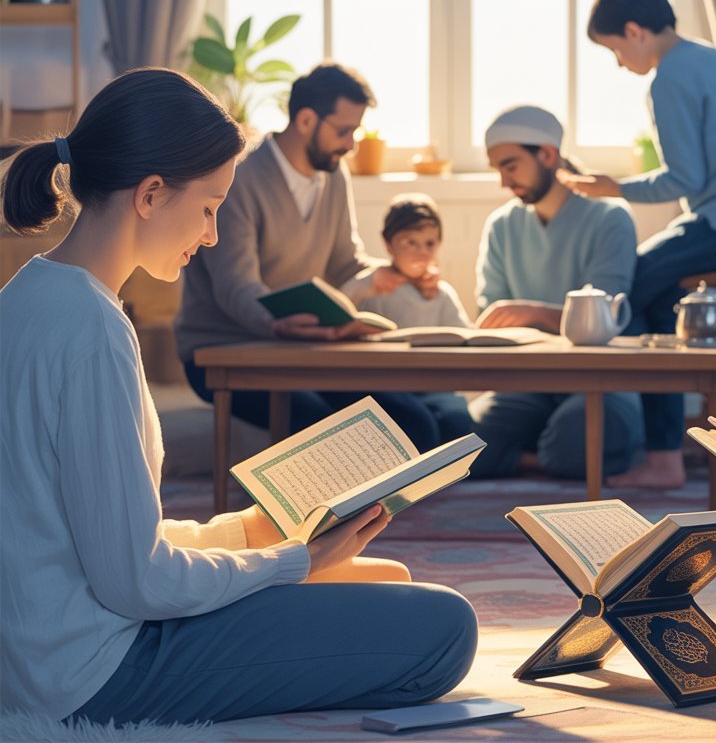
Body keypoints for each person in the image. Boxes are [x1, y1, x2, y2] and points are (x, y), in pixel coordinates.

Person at [0, 68, 477, 725]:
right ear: (150, 194)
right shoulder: (93, 331)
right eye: (209, 207)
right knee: (445, 627)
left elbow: (80, 535)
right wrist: (293, 561)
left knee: (385, 577)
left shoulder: (26, 296)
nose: (212, 235)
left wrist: (246, 532)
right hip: (94, 671)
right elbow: (136, 583)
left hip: (37, 651)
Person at [559, 0, 716, 489]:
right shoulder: (712, 57)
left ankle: (662, 452)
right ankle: (665, 446)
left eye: (614, 50)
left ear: (634, 31)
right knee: (657, 283)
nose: (619, 63)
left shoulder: (668, 78)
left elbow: (684, 180)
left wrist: (612, 188)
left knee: (636, 281)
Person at [174, 63, 443, 447]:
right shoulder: (239, 177)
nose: (351, 145)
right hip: (226, 353)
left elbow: (346, 263)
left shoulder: (333, 174)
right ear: (305, 120)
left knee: (416, 425)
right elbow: (237, 289)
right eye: (343, 131)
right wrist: (279, 325)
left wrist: (399, 272)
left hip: (302, 351)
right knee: (333, 431)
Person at [469, 105, 643, 479]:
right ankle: (542, 457)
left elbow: (604, 314)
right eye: (498, 169)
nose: (503, 182)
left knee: (577, 438)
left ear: (547, 155)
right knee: (462, 443)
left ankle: (532, 454)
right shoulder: (501, 225)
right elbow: (491, 311)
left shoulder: (610, 217)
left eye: (510, 167)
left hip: (599, 381)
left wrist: (532, 313)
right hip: (525, 382)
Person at [355, 192, 474, 445]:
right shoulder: (374, 289)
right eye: (410, 243)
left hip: (437, 388)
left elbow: (465, 338)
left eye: (430, 244)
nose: (422, 252)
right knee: (417, 425)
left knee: (459, 422)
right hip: (388, 389)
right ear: (389, 244)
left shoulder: (442, 294)